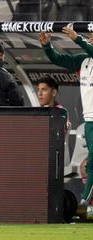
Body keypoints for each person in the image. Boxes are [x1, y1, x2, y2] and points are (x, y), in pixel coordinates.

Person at [39, 26, 93, 209]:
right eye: (91, 36)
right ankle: (87, 205)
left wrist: (78, 39)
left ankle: (85, 202)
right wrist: (47, 46)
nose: (91, 39)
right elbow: (59, 59)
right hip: (89, 120)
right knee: (91, 163)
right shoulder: (83, 61)